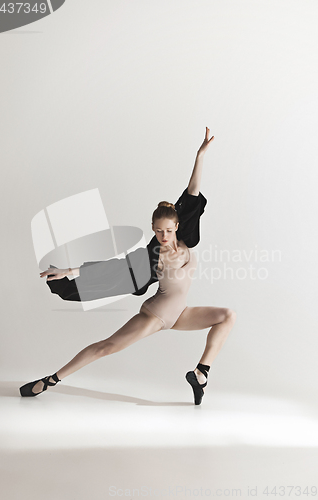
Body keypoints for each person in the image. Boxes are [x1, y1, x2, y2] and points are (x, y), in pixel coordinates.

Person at [19, 127, 237, 405]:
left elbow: (192, 194)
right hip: (155, 316)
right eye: (158, 231)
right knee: (106, 348)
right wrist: (69, 271)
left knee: (227, 315)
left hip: (180, 313)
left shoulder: (186, 241)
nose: (164, 236)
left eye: (168, 230)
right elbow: (112, 268)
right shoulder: (152, 258)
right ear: (153, 230)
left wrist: (200, 156)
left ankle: (201, 374)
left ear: (177, 226)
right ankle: (50, 380)